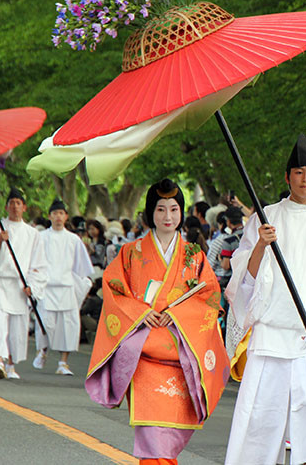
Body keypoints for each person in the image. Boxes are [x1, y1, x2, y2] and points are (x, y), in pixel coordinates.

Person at [224, 133, 306, 465]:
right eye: (299, 172)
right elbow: (243, 280)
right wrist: (260, 245)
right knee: (259, 422)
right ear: (288, 177)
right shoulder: (265, 217)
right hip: (270, 334)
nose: (305, 179)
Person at [86, 179, 229, 465]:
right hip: (143, 354)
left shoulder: (195, 256)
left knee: (171, 437)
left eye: (174, 209)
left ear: (181, 213)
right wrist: (140, 311)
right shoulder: (130, 253)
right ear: (151, 212)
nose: (167, 217)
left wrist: (176, 315)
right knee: (153, 437)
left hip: (181, 355)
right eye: (161, 209)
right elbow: (114, 291)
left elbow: (210, 298)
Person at [0, 187, 48, 379]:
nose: (15, 206)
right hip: (0, 282)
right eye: (11, 203)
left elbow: (39, 263)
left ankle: (11, 364)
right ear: (6, 206)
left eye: (18, 203)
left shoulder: (33, 234)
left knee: (17, 328)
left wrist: (32, 285)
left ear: (24, 207)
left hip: (19, 284)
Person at [33, 199, 94, 376]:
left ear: (66, 216)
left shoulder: (73, 239)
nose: (58, 217)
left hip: (66, 287)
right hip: (48, 287)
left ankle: (63, 362)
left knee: (68, 326)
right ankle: (42, 350)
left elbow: (81, 266)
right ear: (50, 216)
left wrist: (80, 284)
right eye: (55, 213)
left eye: (61, 213)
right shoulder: (42, 237)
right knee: (46, 323)